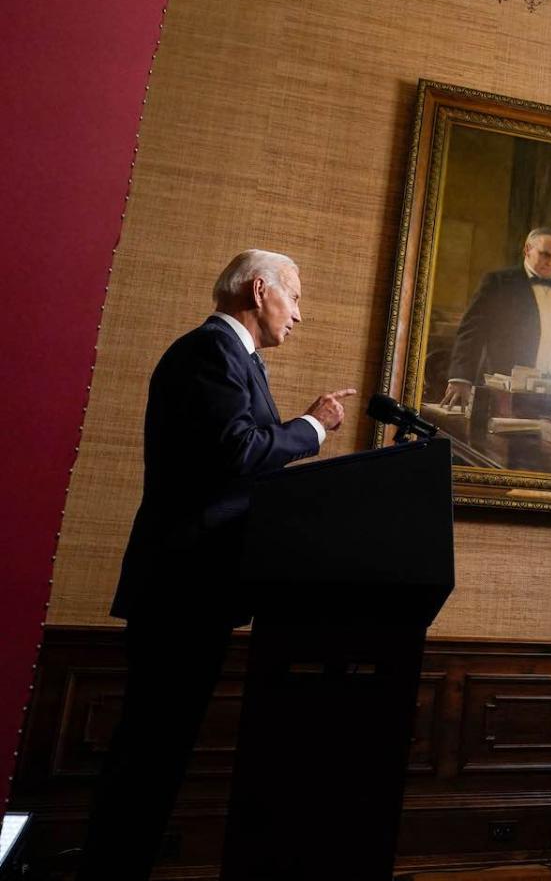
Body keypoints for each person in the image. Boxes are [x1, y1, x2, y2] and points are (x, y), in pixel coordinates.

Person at [78, 250, 355, 881]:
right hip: (181, 589)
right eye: (295, 297)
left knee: (161, 752)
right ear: (260, 291)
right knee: (150, 753)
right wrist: (312, 427)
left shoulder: (238, 360)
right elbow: (237, 452)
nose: (300, 314)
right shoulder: (209, 352)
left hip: (200, 587)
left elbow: (240, 456)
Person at [441, 227, 551, 410]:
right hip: (506, 392)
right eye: (545, 255)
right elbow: (472, 331)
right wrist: (461, 377)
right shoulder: (499, 283)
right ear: (527, 250)